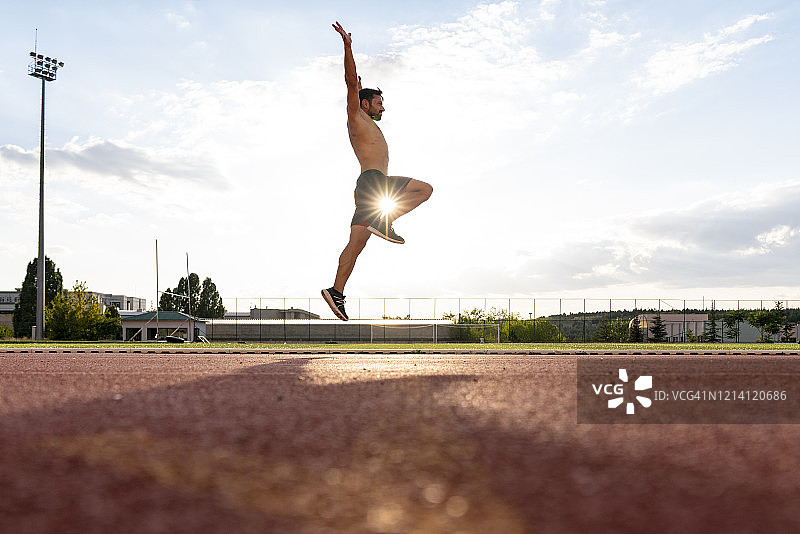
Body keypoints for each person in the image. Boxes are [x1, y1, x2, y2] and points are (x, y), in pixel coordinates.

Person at [322, 22, 433, 321]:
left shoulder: (366, 121)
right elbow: (349, 83)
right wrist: (347, 47)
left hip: (366, 187)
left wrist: (361, 85)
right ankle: (387, 220)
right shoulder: (355, 116)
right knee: (425, 190)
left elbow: (356, 86)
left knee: (356, 243)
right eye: (379, 103)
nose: (383, 109)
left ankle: (336, 292)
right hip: (374, 181)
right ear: (365, 103)